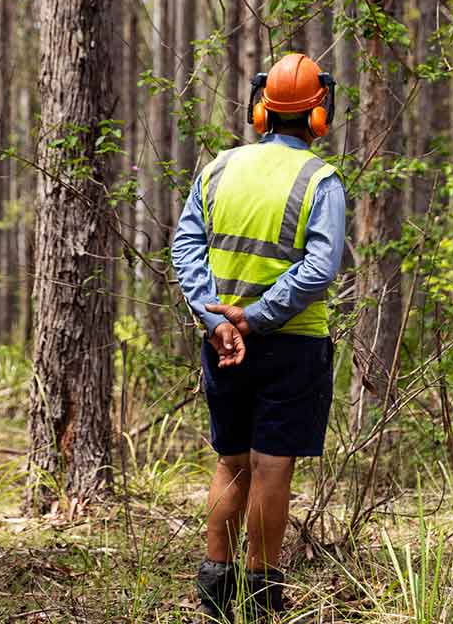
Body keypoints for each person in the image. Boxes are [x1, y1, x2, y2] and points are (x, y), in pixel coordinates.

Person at [171, 53, 346, 622]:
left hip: (222, 341)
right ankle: (262, 591)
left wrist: (216, 319)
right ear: (318, 114)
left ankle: (215, 581)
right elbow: (320, 269)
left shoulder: (218, 167)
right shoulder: (320, 179)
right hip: (291, 343)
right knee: (272, 466)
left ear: (261, 109)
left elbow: (185, 248)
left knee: (232, 462)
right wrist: (260, 316)